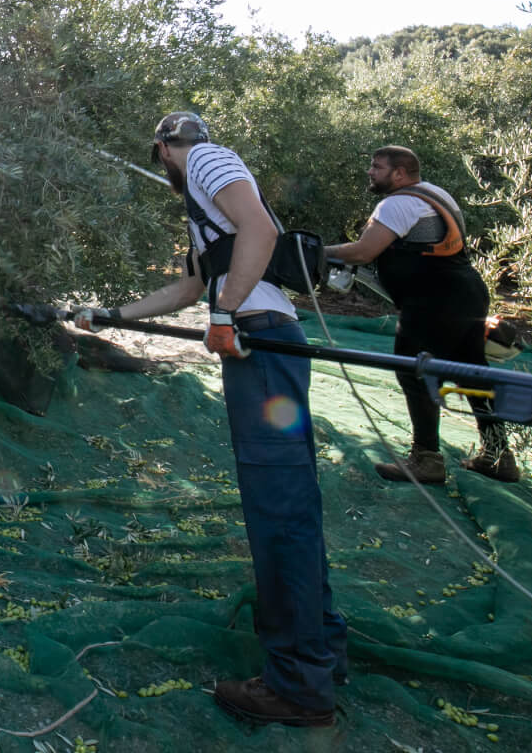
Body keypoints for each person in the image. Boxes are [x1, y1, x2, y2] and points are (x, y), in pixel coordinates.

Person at [78, 112, 344, 728]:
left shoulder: (205, 159)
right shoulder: (203, 207)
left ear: (164, 149)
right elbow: (188, 289)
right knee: (290, 503)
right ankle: (323, 654)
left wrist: (225, 315)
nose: (164, 166)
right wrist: (112, 313)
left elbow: (258, 229)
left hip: (259, 343)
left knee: (279, 511)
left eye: (160, 156)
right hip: (259, 338)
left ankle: (300, 685)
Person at [324, 146, 515, 483]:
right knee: (473, 374)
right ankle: (499, 456)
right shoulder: (435, 194)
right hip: (466, 293)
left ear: (399, 173)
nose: (370, 172)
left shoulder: (397, 204)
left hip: (433, 301)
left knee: (414, 371)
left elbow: (365, 251)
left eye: (377, 167)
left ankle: (426, 458)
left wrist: (317, 252)